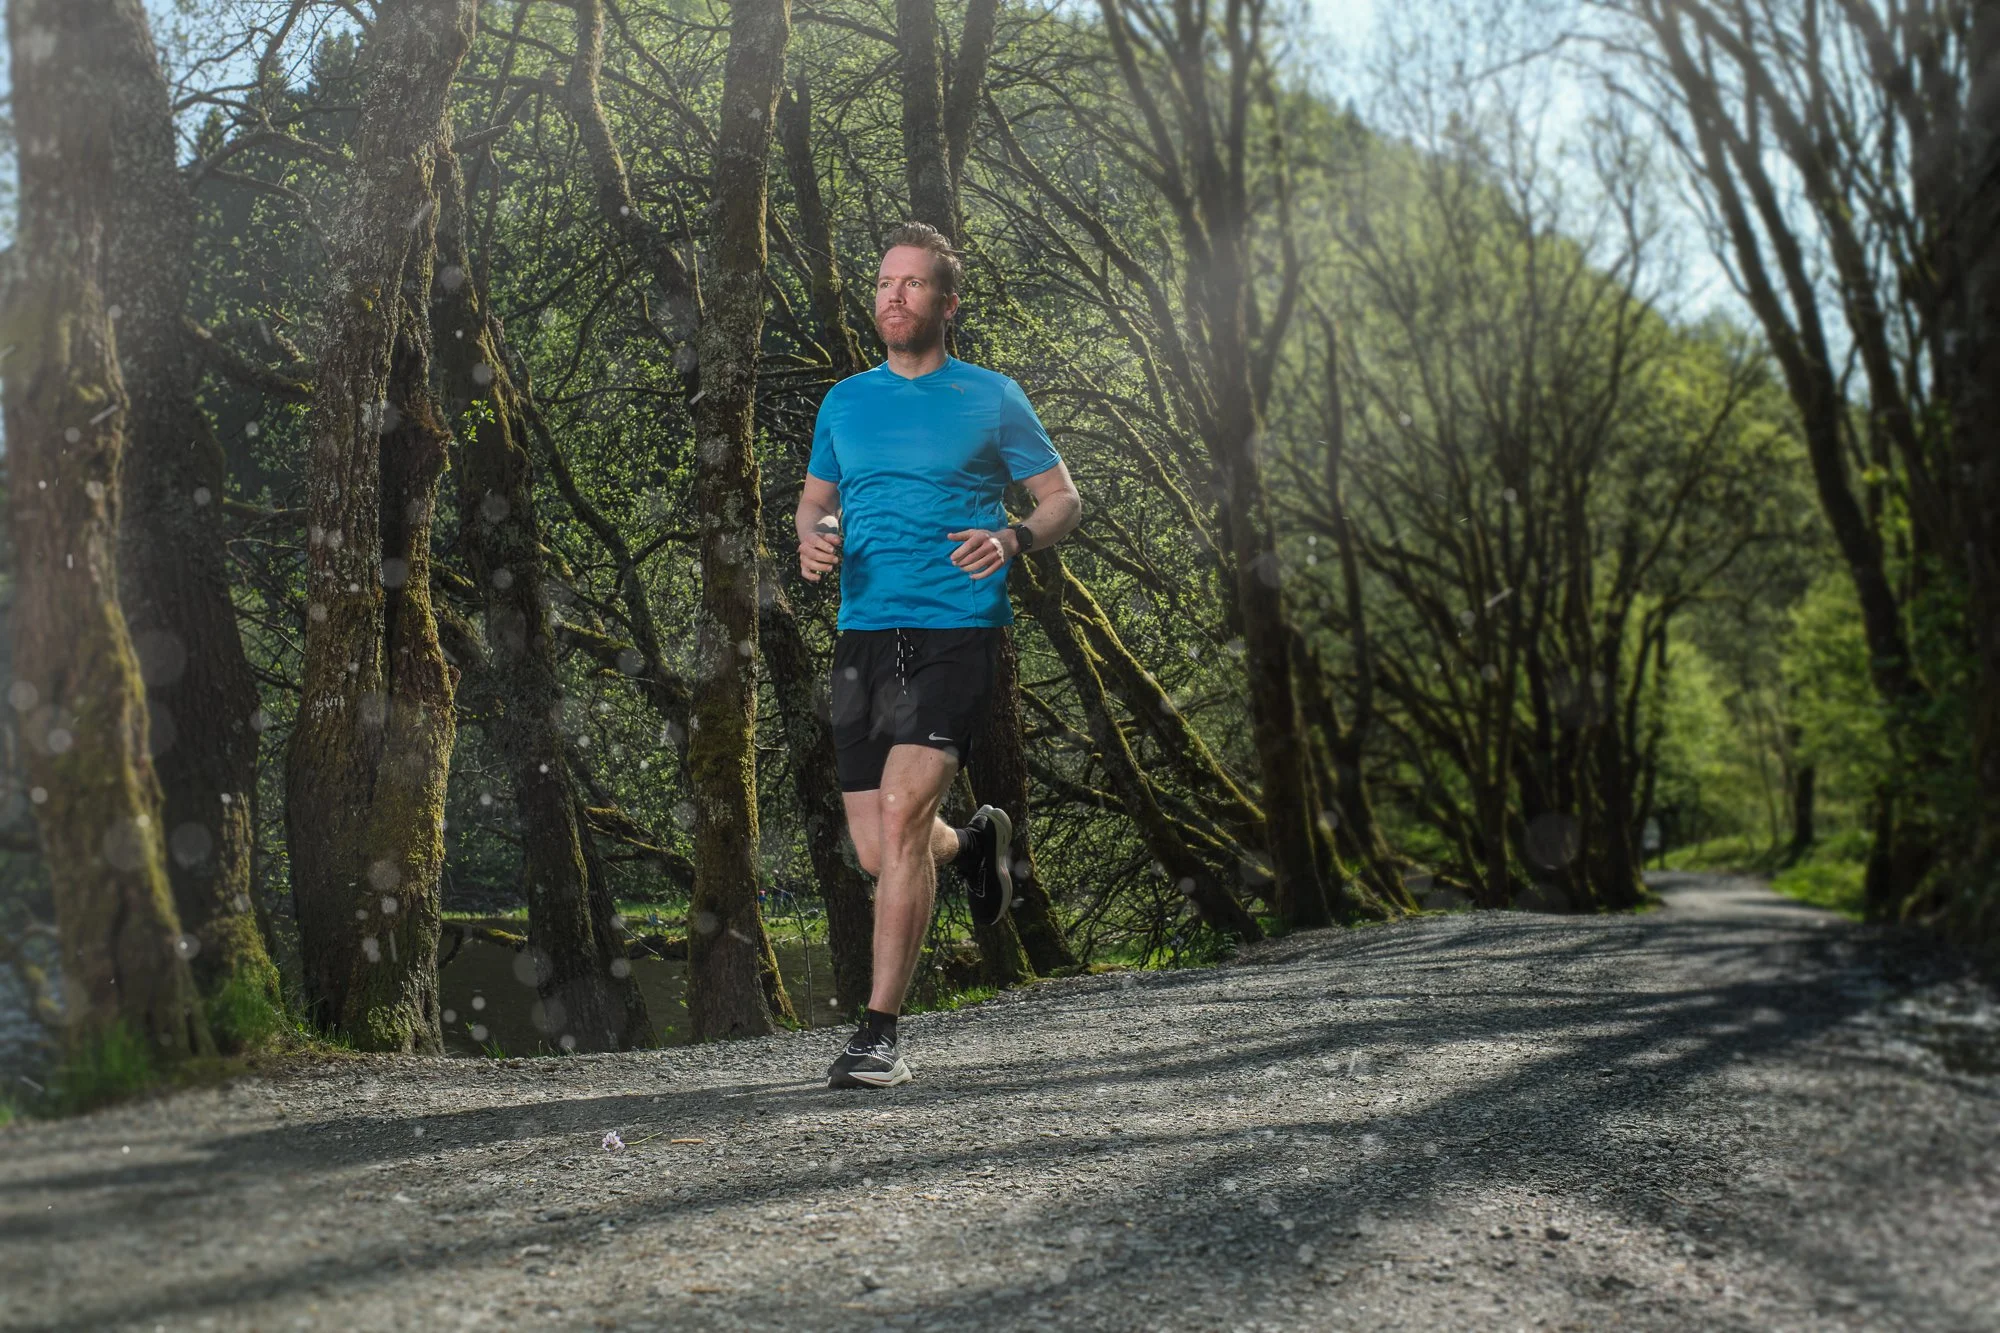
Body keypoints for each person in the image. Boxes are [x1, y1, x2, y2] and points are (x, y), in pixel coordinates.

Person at [795, 222, 1081, 1089]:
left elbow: (1063, 498)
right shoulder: (844, 402)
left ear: (946, 303)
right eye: (884, 283)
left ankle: (878, 1033)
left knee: (903, 810)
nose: (892, 297)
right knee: (882, 849)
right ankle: (974, 840)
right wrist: (814, 541)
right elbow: (815, 508)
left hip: (957, 626)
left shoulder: (992, 397)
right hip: (863, 633)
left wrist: (1014, 537)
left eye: (913, 285)